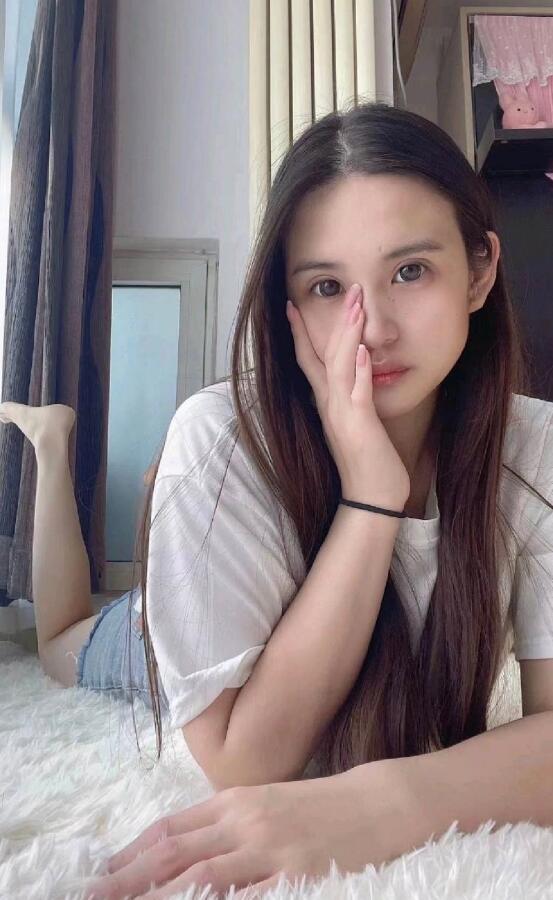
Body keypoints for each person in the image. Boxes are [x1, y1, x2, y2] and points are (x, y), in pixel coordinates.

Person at [2, 101, 553, 896]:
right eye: (327, 286)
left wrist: (389, 804)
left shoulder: (533, 449)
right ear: (285, 305)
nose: (371, 330)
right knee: (58, 646)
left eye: (409, 271)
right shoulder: (220, 438)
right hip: (169, 632)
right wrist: (370, 499)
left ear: (479, 271)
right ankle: (52, 446)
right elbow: (246, 761)